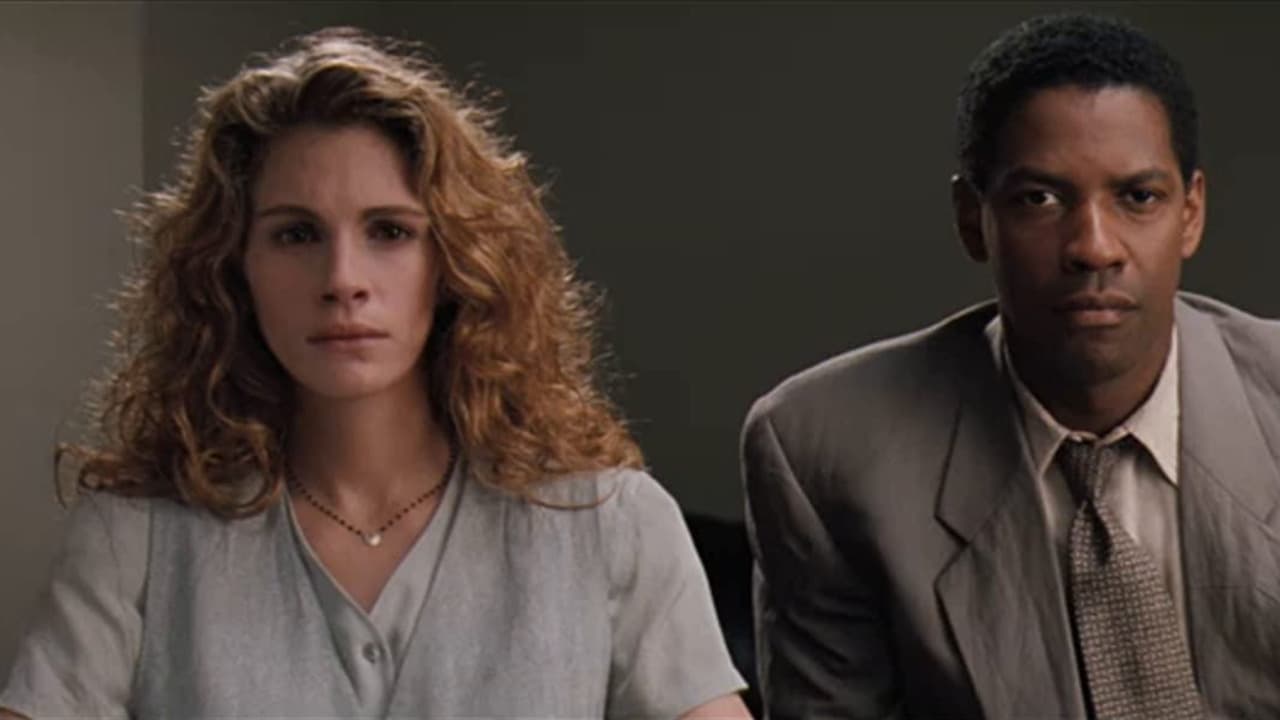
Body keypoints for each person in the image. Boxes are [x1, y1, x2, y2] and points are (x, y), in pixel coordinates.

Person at [1, 27, 750, 719]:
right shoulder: (139, 535)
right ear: (234, 268)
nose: (343, 280)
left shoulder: (610, 523)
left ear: (454, 262)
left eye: (389, 231)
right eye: (296, 234)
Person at [743, 13, 1280, 719]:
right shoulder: (831, 454)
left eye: (1138, 197)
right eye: (1040, 199)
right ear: (973, 219)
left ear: (1191, 213)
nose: (1094, 246)